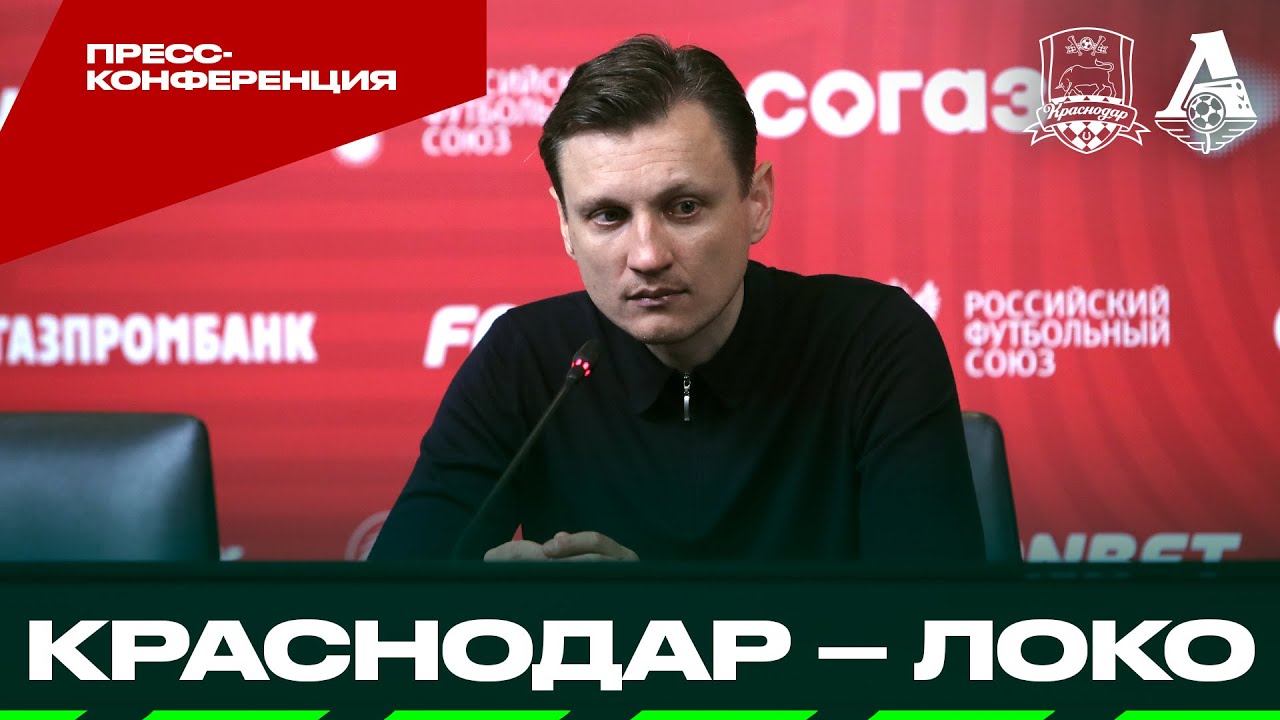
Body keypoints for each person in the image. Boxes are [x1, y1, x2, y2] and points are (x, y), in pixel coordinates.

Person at [368, 34, 984, 562]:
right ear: (565, 225)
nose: (647, 255)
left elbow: (936, 626)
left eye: (684, 207)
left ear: (756, 201)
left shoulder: (873, 342)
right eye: (607, 216)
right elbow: (386, 609)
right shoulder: (525, 358)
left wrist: (651, 618)